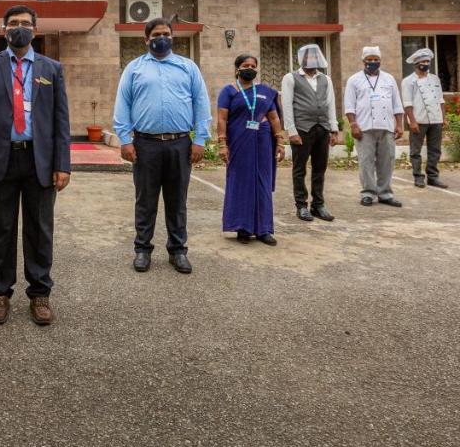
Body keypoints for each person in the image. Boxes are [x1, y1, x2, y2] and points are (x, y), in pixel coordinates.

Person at [0, 5, 71, 326]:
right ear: (4, 29)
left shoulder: (52, 68)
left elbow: (61, 120)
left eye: (25, 24)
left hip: (39, 161)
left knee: (40, 231)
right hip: (0, 159)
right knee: (3, 229)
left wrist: (62, 164)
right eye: (13, 24)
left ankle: (40, 294)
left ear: (35, 31)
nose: (19, 28)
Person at [112, 17, 211, 274]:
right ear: (146, 39)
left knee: (177, 200)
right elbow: (122, 105)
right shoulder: (133, 69)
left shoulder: (188, 67)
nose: (161, 37)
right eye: (156, 34)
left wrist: (200, 139)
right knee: (145, 200)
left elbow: (201, 104)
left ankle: (178, 251)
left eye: (166, 33)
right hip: (145, 145)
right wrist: (124, 140)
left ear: (173, 36)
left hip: (180, 144)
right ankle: (142, 250)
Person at [217, 53, 284, 245]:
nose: (250, 68)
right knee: (241, 183)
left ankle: (264, 229)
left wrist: (279, 141)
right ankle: (243, 228)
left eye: (254, 66)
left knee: (262, 182)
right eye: (246, 65)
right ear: (237, 69)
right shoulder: (229, 91)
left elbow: (274, 118)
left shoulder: (265, 91)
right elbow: (222, 118)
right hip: (239, 141)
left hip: (263, 141)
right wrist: (222, 144)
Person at [279, 43, 339, 222]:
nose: (311, 60)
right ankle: (301, 205)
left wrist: (333, 128)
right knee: (299, 169)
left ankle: (318, 205)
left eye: (314, 57)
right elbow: (287, 105)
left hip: (322, 129)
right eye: (308, 57)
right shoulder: (291, 78)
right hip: (302, 130)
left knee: (320, 168)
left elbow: (331, 104)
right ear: (301, 59)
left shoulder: (325, 79)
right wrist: (291, 131)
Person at [344, 46, 405, 208]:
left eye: (376, 59)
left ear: (380, 60)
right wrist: (353, 124)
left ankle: (385, 194)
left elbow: (397, 104)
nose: (373, 62)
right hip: (364, 128)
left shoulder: (389, 79)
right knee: (366, 162)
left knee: (387, 161)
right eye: (369, 60)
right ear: (363, 61)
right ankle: (369, 193)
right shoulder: (354, 80)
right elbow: (349, 106)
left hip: (386, 127)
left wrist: (399, 125)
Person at [402, 47, 448, 188]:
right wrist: (412, 121)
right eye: (423, 62)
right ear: (416, 64)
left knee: (435, 149)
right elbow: (407, 103)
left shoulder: (435, 79)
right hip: (419, 120)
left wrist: (443, 118)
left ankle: (433, 177)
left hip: (436, 119)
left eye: (428, 61)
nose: (426, 64)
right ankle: (418, 177)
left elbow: (440, 100)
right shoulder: (408, 81)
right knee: (415, 151)